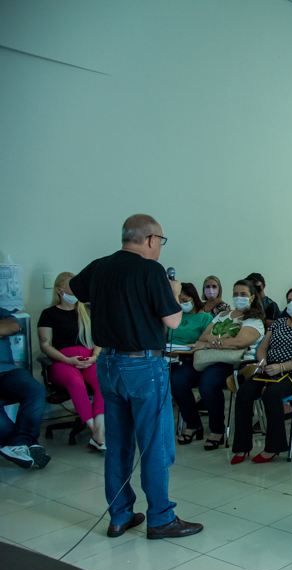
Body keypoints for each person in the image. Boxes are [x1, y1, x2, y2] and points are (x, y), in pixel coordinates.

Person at [70, 214, 202, 539]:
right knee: (154, 444)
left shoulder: (100, 266)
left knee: (117, 443)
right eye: (161, 242)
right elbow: (172, 321)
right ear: (151, 240)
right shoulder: (150, 270)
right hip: (144, 367)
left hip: (109, 365)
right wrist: (171, 292)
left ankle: (119, 516)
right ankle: (161, 518)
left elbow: (76, 289)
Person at [230, 288, 292, 463]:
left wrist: (281, 367)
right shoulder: (278, 324)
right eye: (289, 300)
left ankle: (274, 447)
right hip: (269, 370)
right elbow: (262, 347)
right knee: (243, 392)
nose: (291, 303)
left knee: (272, 394)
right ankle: (242, 447)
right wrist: (262, 362)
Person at [172, 280, 265, 449]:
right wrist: (210, 341)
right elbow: (203, 337)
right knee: (177, 380)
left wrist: (210, 343)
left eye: (243, 294)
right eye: (235, 294)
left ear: (252, 297)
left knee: (207, 384)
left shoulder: (254, 319)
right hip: (207, 359)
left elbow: (238, 343)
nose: (238, 298)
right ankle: (193, 424)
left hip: (234, 363)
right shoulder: (223, 315)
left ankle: (217, 430)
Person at [38, 272, 106, 451]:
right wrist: (67, 360)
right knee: (76, 382)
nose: (77, 291)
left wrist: (94, 357)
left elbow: (99, 340)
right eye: (72, 287)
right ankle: (96, 433)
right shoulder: (48, 314)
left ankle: (100, 427)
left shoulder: (88, 311)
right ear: (60, 290)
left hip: (88, 359)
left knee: (102, 379)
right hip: (62, 361)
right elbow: (45, 345)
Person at [0, 309, 47, 469]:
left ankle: (20, 443)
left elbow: (13, 326)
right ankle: (21, 445)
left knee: (35, 391)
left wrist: (4, 327)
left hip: (8, 371)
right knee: (3, 425)